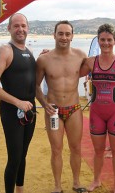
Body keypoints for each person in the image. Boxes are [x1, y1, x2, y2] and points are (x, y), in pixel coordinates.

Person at [79, 24, 115, 193]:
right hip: (97, 113)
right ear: (98, 40)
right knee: (98, 151)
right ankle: (96, 180)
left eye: (109, 40)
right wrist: (51, 55)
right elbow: (71, 71)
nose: (105, 43)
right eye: (102, 40)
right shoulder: (91, 62)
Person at [0, 13, 36, 193]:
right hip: (12, 112)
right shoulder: (4, 51)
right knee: (14, 157)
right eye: (16, 26)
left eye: (23, 25)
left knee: (23, 155)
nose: (20, 29)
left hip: (30, 111)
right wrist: (17, 102)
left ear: (28, 28)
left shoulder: (28, 52)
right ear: (9, 28)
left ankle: (20, 190)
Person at [36, 20, 88, 193]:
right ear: (54, 35)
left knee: (76, 147)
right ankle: (57, 186)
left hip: (73, 109)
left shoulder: (81, 56)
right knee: (56, 149)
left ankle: (76, 182)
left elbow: (102, 64)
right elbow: (35, 86)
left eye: (67, 34)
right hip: (53, 111)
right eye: (60, 33)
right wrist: (44, 104)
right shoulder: (44, 59)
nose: (64, 37)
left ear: (72, 36)